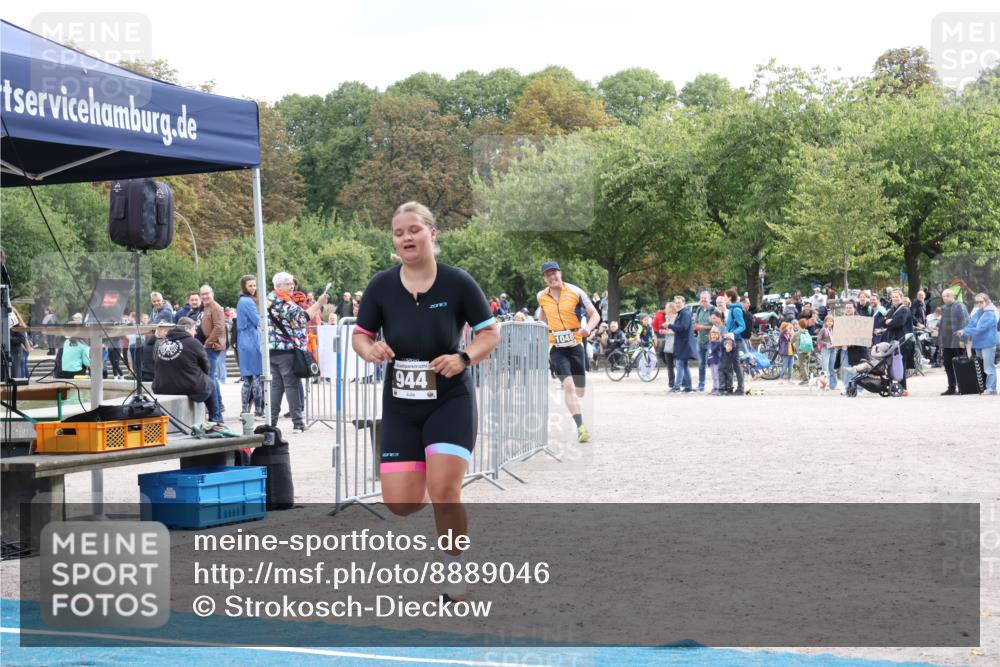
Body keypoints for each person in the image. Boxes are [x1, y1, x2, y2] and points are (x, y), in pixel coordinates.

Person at [352, 201, 500, 603]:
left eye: (414, 230)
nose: (406, 238)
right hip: (401, 404)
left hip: (450, 398)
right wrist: (369, 350)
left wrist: (463, 357)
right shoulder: (382, 286)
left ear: (432, 234)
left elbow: (490, 333)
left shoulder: (457, 282)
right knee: (400, 503)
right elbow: (360, 335)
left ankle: (455, 569)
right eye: (399, 233)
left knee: (444, 489)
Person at [536, 260, 600, 442]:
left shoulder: (576, 292)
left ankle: (578, 409)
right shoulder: (541, 296)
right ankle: (581, 428)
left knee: (579, 391)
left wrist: (588, 329)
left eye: (554, 273)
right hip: (556, 347)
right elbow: (542, 316)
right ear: (544, 279)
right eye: (548, 275)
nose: (552, 277)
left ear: (560, 273)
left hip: (575, 344)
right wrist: (541, 328)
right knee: (568, 386)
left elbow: (594, 314)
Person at [268, 272, 327, 433]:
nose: (292, 286)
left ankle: (271, 422)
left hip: (272, 350)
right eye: (288, 283)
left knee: (276, 387)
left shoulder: (269, 300)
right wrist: (319, 303)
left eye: (292, 283)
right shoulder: (284, 302)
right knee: (291, 385)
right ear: (278, 286)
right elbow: (302, 318)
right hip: (286, 350)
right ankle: (298, 423)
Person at [152, 317, 223, 425]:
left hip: (162, 388)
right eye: (194, 329)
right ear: (186, 328)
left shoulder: (163, 343)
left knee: (208, 381)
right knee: (211, 382)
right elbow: (206, 367)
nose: (195, 332)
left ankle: (216, 420)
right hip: (188, 387)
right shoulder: (193, 342)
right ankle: (216, 420)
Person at [956, 293, 998, 395]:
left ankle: (991, 388)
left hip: (988, 344)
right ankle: (984, 387)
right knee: (981, 367)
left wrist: (964, 331)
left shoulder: (991, 314)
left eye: (981, 302)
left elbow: (981, 329)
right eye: (977, 302)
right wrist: (963, 330)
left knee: (988, 367)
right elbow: (971, 324)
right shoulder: (978, 313)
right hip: (978, 344)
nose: (979, 304)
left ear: (987, 302)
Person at [236, 274, 264, 417]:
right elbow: (258, 320)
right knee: (256, 377)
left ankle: (245, 409)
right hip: (251, 339)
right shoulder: (248, 302)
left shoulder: (241, 301)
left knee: (248, 379)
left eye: (254, 285)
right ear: (244, 287)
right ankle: (258, 409)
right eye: (250, 285)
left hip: (244, 340)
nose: (253, 288)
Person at [199, 285, 227, 412]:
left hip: (213, 346)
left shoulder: (216, 308)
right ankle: (218, 404)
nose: (204, 296)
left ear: (212, 293)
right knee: (212, 376)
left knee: (210, 376)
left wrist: (208, 342)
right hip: (209, 345)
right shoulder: (206, 307)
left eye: (207, 293)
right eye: (202, 294)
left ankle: (215, 407)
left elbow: (219, 327)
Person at [880, 288, 913, 395]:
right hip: (893, 341)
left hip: (902, 341)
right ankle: (894, 386)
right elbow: (883, 322)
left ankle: (903, 388)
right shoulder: (892, 309)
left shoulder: (904, 309)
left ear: (901, 298)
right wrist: (888, 321)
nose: (894, 299)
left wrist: (889, 322)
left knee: (900, 365)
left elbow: (898, 323)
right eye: (893, 297)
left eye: (896, 297)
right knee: (892, 364)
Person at [938, 289, 970, 395]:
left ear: (953, 296)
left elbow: (965, 323)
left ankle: (963, 387)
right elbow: (942, 326)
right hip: (947, 342)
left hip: (957, 341)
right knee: (948, 365)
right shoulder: (944, 308)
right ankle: (951, 388)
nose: (945, 298)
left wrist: (963, 340)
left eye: (947, 296)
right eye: (943, 296)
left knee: (959, 365)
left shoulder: (960, 306)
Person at [836, 302, 869, 393]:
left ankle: (859, 389)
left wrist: (855, 341)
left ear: (854, 309)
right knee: (846, 368)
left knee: (859, 369)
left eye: (850, 307)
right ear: (844, 309)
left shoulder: (860, 320)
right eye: (847, 308)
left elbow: (864, 334)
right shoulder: (840, 321)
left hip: (858, 349)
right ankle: (848, 388)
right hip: (845, 348)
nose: (848, 309)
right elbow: (838, 335)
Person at [667, 295, 695, 393]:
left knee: (679, 365)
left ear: (684, 303)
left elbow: (683, 327)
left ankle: (677, 387)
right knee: (684, 365)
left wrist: (669, 325)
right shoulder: (681, 313)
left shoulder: (685, 313)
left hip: (684, 343)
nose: (677, 304)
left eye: (679, 302)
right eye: (676, 302)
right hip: (683, 343)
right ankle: (688, 387)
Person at [692, 291, 714, 392]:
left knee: (713, 364)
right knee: (701, 364)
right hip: (700, 340)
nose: (703, 300)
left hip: (710, 341)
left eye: (705, 298)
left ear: (709, 299)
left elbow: (716, 325)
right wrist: (695, 326)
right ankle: (701, 385)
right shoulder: (699, 310)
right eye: (702, 298)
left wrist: (703, 327)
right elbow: (696, 323)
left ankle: (716, 385)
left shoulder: (713, 310)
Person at [658, 303, 677, 388]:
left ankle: (678, 382)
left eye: (666, 308)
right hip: (668, 342)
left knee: (678, 365)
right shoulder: (667, 318)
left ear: (671, 309)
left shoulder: (676, 318)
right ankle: (671, 383)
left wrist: (667, 332)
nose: (665, 310)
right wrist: (662, 330)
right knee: (668, 364)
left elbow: (677, 331)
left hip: (675, 343)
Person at [817, 315, 837, 391]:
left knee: (832, 368)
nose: (830, 323)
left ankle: (833, 385)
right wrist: (826, 343)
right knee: (825, 368)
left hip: (833, 349)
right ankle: (824, 385)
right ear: (825, 322)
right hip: (825, 349)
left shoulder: (834, 330)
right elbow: (818, 340)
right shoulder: (823, 330)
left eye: (831, 321)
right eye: (828, 321)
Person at [707, 328, 723, 395]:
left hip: (716, 361)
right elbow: (709, 353)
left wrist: (715, 341)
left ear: (718, 335)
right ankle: (714, 387)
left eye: (715, 334)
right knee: (713, 376)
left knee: (716, 376)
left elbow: (714, 349)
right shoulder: (710, 343)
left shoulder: (718, 343)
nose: (713, 336)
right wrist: (708, 361)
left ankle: (718, 389)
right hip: (711, 361)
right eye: (712, 335)